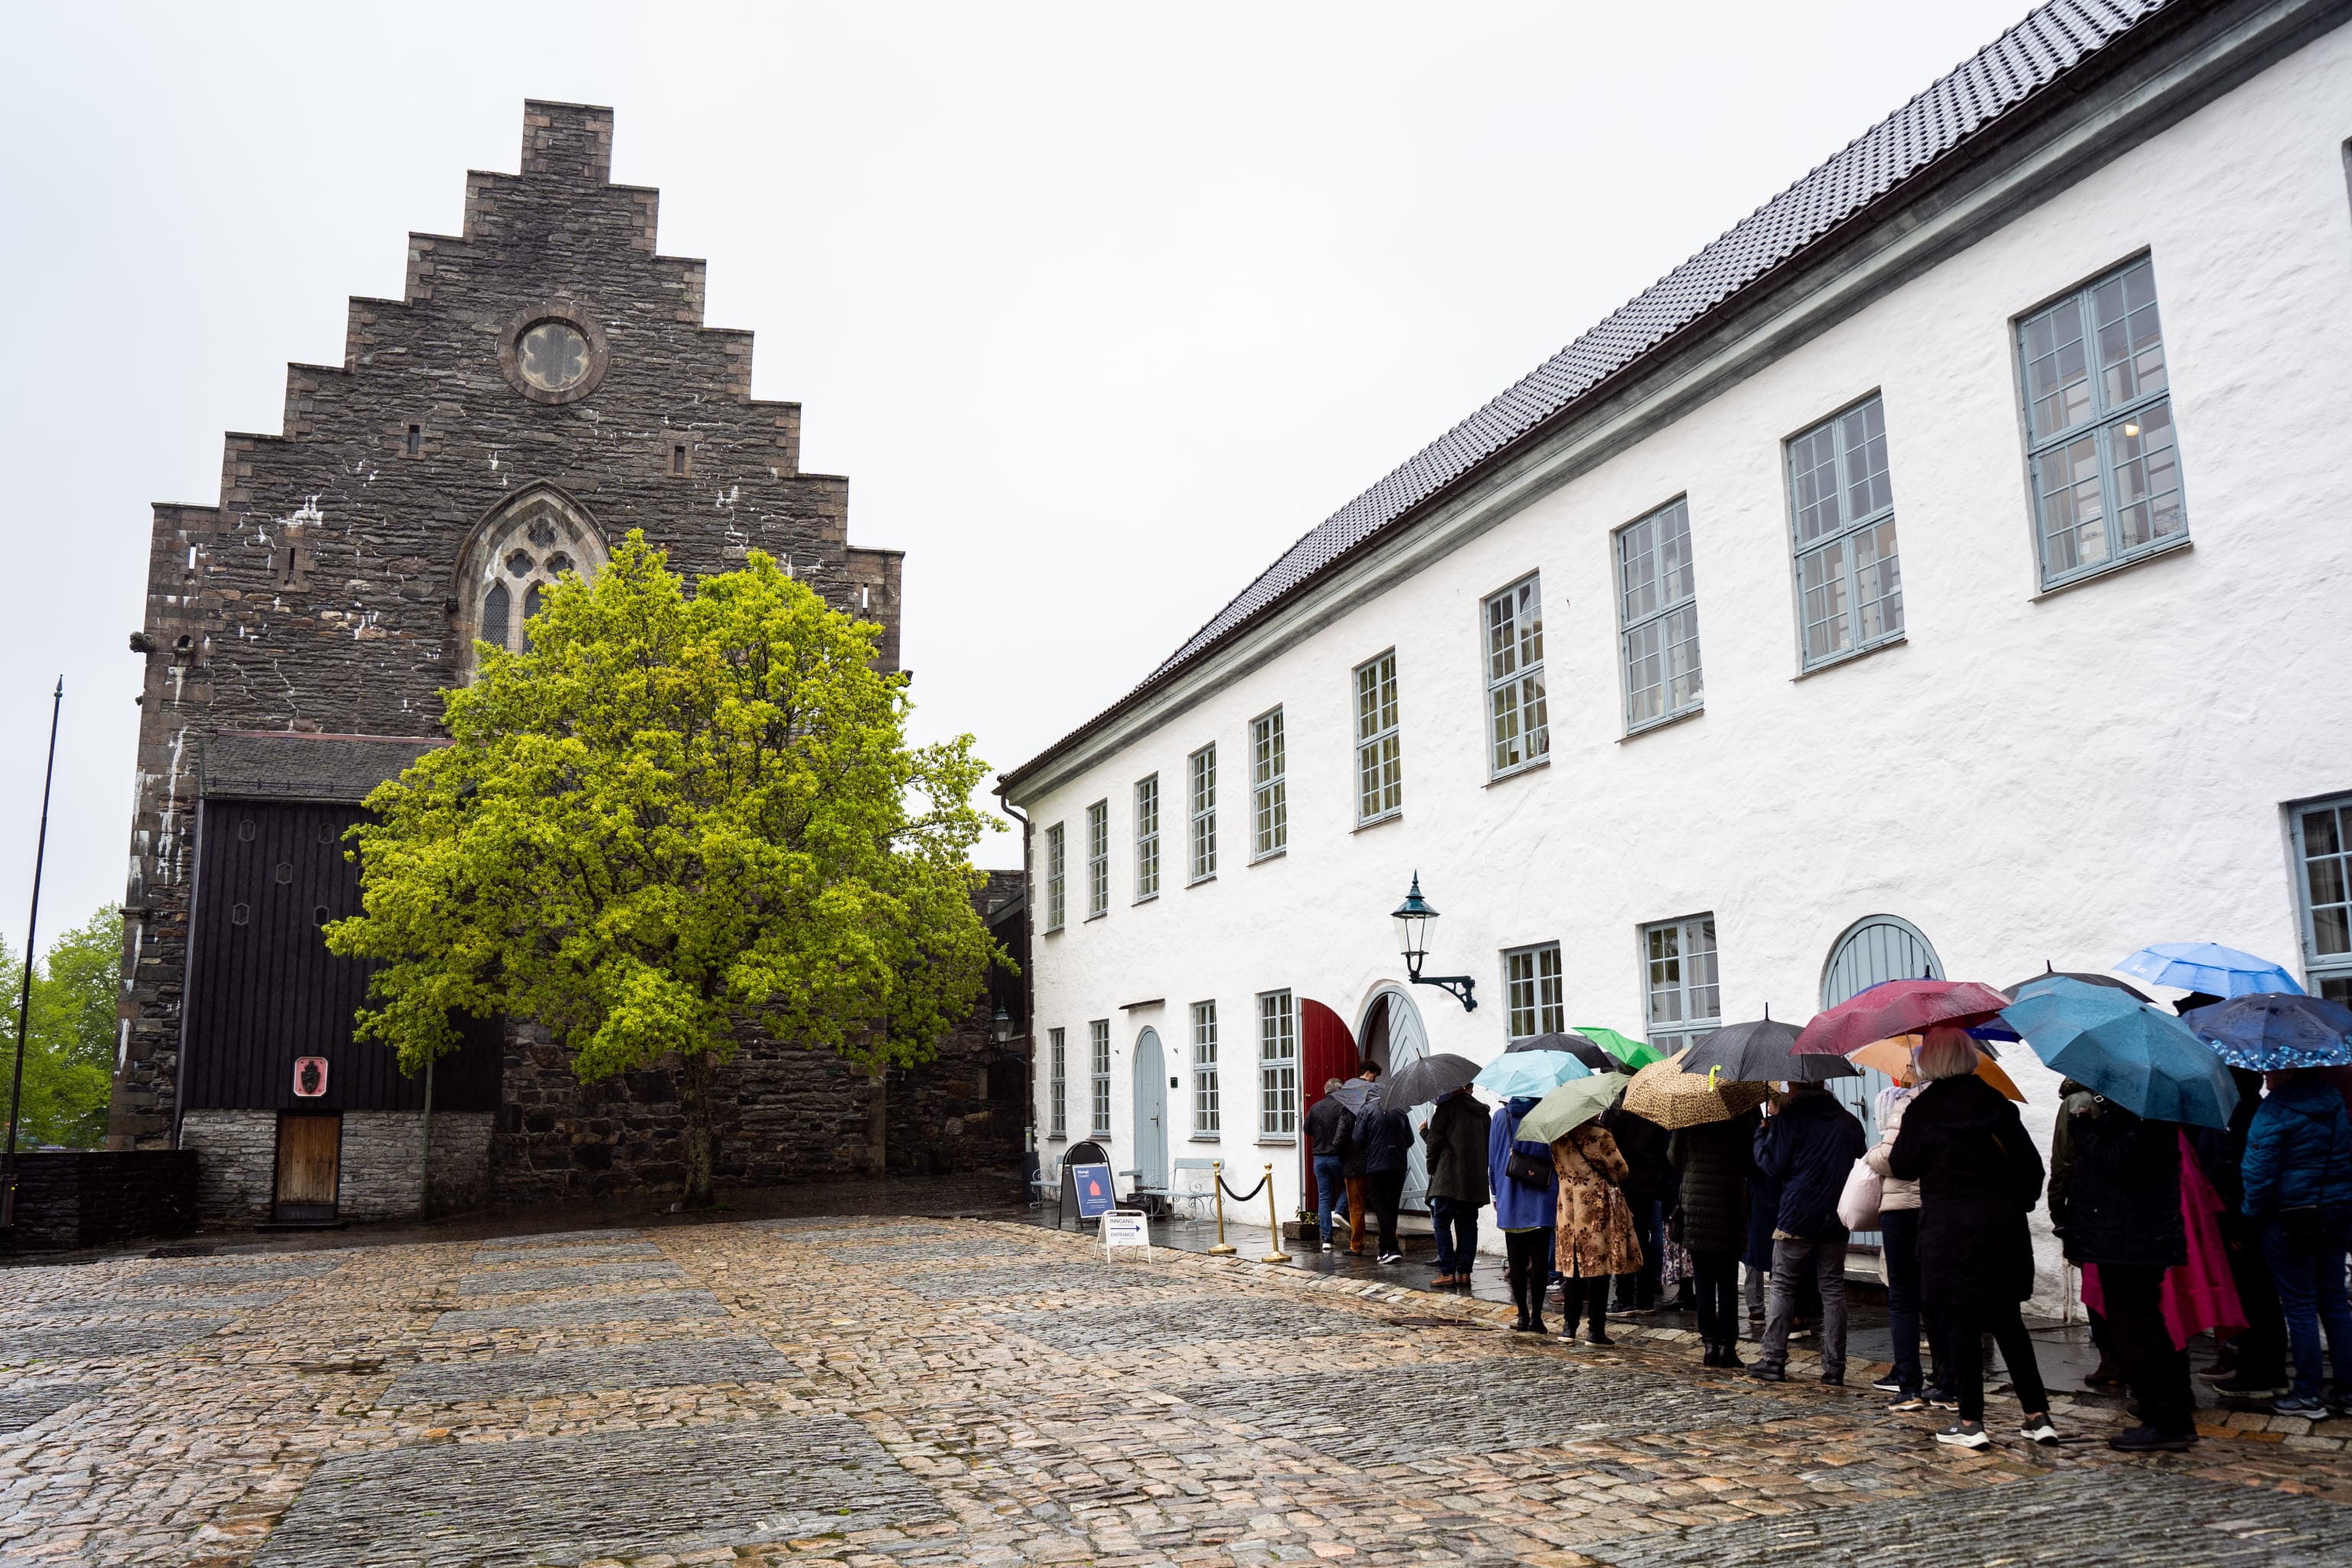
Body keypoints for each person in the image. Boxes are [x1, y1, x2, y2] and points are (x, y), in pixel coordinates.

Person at [1890, 1027, 2059, 1450]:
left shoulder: (1923, 1110)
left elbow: (1903, 1166)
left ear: (1930, 1062)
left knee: (1960, 1323)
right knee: (2008, 1322)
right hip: (2000, 1229)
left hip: (1948, 1232)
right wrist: (2010, 1203)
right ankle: (2037, 1418)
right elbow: (2031, 1172)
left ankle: (1971, 1422)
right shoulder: (1997, 1106)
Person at [2058, 1086, 2195, 1449]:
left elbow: (2118, 1161)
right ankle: (2166, 1416)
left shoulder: (2146, 1116)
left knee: (2139, 1331)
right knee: (2139, 1328)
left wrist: (2082, 1129)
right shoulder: (2137, 1112)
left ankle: (2165, 1420)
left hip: (2130, 1240)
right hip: (2127, 1237)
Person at [2242, 1066, 2352, 1418]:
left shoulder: (2275, 1109)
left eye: (2272, 1069)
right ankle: (2347, 1391)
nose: (2265, 1075)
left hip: (2289, 1216)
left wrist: (2251, 1212)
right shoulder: (2333, 1099)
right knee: (2334, 1302)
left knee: (2300, 1305)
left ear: (2291, 1071)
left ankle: (2307, 1393)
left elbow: (2258, 1172)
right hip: (2334, 1211)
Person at [1747, 1079, 1865, 1386]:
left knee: (1784, 1286)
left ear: (1795, 1086)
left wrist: (1762, 1136)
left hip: (1797, 1213)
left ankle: (1774, 1360)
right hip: (1836, 1213)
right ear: (1823, 1082)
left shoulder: (1789, 1120)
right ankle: (1835, 1367)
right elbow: (1861, 1162)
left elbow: (1772, 1166)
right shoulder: (1848, 1122)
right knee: (1832, 1289)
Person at [1863, 1063, 1951, 1409]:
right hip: (1936, 1205)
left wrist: (1871, 1154)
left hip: (1902, 1208)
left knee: (1902, 1296)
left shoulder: (1910, 1102)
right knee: (1937, 1296)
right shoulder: (1954, 1104)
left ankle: (1909, 1385)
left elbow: (1892, 1158)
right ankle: (1947, 1381)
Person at [2201, 1065, 2292, 1397]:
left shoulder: (2238, 1113)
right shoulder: (2254, 1108)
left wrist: (2232, 1225)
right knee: (2262, 1297)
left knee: (2254, 1298)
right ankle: (2269, 1371)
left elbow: (2233, 1170)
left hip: (2244, 1218)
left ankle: (2259, 1374)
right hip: (2254, 1216)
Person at [2047, 1076, 2124, 1391]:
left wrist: (2056, 1206)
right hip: (2130, 1207)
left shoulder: (2076, 1102)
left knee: (2096, 1283)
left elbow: (2063, 1160)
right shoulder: (2128, 1097)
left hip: (2089, 1204)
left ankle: (2111, 1361)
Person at [1670, 1103, 1759, 1368]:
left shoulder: (1688, 1111)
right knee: (1728, 1282)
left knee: (1704, 1280)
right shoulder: (1743, 1112)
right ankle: (1728, 1348)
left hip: (1695, 1205)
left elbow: (1674, 1159)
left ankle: (1710, 1345)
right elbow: (1753, 1161)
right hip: (1729, 1204)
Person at [1550, 1117, 1642, 1346]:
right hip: (1595, 1209)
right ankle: (1595, 1331)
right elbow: (1621, 1170)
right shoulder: (1600, 1136)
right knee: (1599, 1267)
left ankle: (1568, 1328)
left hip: (1568, 1210)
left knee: (1573, 1270)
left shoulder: (1558, 1137)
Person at [1489, 1093, 1557, 1333]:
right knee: (1539, 1259)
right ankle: (1537, 1318)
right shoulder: (1546, 1114)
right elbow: (1553, 1155)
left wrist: (1496, 1193)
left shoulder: (1500, 1116)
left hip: (1510, 1195)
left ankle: (1522, 1316)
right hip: (1542, 1195)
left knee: (1516, 1260)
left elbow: (1494, 1157)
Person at [1603, 1101, 1674, 1313]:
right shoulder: (1655, 1106)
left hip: (1625, 1183)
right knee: (1643, 1237)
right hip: (1650, 1181)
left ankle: (1625, 1299)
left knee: (1624, 1239)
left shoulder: (1617, 1109)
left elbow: (1608, 1147)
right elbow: (1665, 1148)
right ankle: (1645, 1298)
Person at [1423, 1086, 1491, 1286]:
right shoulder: (1484, 1114)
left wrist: (1432, 1168)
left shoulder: (1446, 1109)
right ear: (1470, 1088)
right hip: (1473, 1179)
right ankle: (1465, 1272)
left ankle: (1447, 1273)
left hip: (1448, 1178)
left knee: (1442, 1224)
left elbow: (1433, 1143)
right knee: (1469, 1225)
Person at [1304, 1078, 1356, 1253]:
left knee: (1324, 1198)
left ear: (1326, 1090)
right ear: (1339, 1089)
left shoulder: (1315, 1107)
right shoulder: (1343, 1106)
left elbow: (1307, 1130)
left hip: (1319, 1158)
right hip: (1338, 1157)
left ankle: (1327, 1239)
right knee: (1350, 1184)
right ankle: (1340, 1210)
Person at [1361, 1095, 1413, 1264]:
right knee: (1392, 1206)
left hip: (1377, 1165)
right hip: (1398, 1164)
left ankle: (1391, 1248)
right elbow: (1410, 1140)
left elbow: (1358, 1138)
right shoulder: (1400, 1110)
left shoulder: (1367, 1110)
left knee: (1381, 1206)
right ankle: (1386, 1248)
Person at [1341, 1063, 1381, 1255]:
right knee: (1381, 1204)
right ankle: (1387, 1244)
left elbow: (1341, 1136)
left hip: (1354, 1163)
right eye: (1374, 1076)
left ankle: (1356, 1245)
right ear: (1367, 1075)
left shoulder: (1348, 1108)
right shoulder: (1377, 1107)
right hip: (1374, 1162)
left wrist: (1342, 1155)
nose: (1375, 1081)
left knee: (1356, 1206)